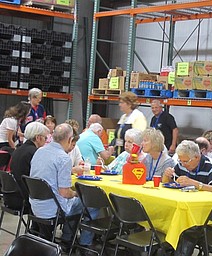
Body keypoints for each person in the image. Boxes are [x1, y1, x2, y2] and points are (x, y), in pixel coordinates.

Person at [29, 123, 99, 252]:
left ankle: (68, 238)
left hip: (36, 206)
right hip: (52, 210)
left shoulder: (39, 151)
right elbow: (65, 193)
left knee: (73, 204)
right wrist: (77, 193)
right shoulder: (63, 158)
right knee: (91, 203)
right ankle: (83, 244)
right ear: (70, 140)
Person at [162, 140, 212, 256]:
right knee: (165, 219)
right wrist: (166, 175)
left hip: (203, 214)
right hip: (185, 207)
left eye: (185, 161)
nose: (182, 164)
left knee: (187, 230)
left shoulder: (210, 165)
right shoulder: (182, 163)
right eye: (180, 161)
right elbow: (166, 183)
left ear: (196, 157)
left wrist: (196, 184)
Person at [3, 122, 50, 211]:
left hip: (11, 196)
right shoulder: (35, 153)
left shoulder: (18, 150)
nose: (46, 140)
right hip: (25, 198)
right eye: (45, 137)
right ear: (38, 137)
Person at [111, 92, 147, 156]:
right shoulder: (123, 117)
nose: (119, 105)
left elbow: (138, 137)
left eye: (122, 103)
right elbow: (118, 136)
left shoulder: (138, 116)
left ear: (129, 104)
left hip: (131, 155)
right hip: (119, 154)